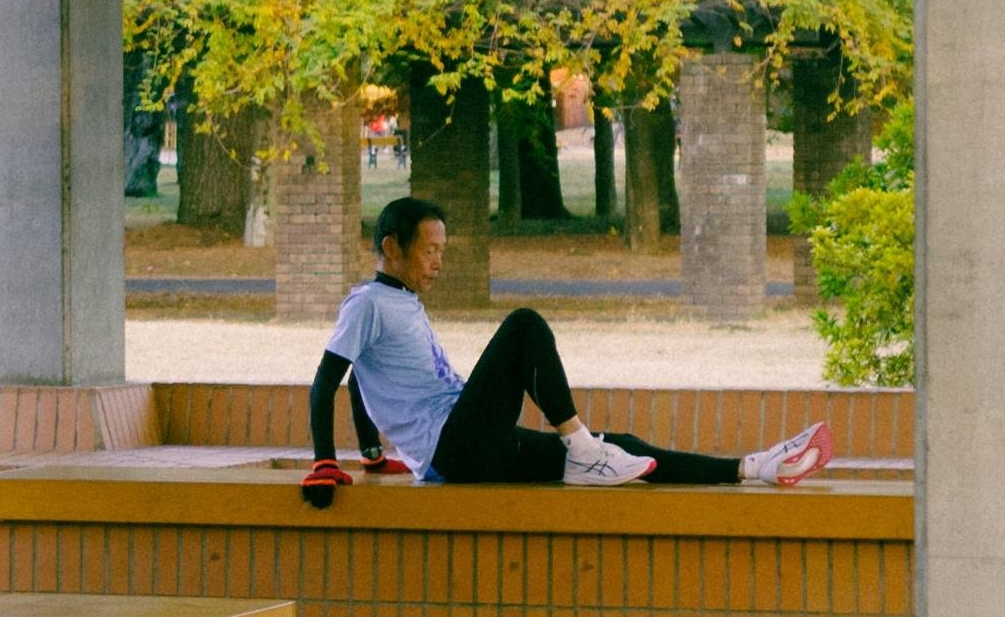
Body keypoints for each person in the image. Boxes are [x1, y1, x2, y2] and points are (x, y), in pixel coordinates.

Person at [305, 196, 830, 497]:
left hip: (472, 445)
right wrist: (326, 463)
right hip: (456, 445)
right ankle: (583, 449)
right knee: (524, 326)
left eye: (443, 250)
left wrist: (373, 454)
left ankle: (754, 466)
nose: (439, 261)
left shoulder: (398, 304)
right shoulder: (369, 302)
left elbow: (362, 377)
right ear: (393, 248)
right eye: (430, 250)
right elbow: (329, 378)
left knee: (621, 445)